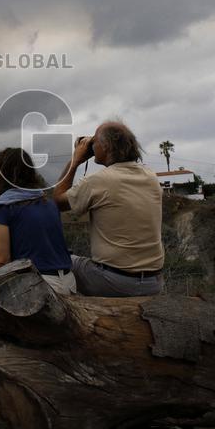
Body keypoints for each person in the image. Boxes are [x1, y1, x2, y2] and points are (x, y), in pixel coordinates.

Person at [51, 120, 164, 297]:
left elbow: (58, 201)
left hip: (114, 282)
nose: (91, 145)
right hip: (153, 282)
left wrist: (75, 160)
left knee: (58, 258)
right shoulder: (150, 177)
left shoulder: (99, 181)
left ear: (105, 146)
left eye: (94, 141)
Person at [0, 147, 76, 296]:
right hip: (69, 281)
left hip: (38, 287)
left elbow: (2, 260)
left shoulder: (3, 208)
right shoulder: (49, 203)